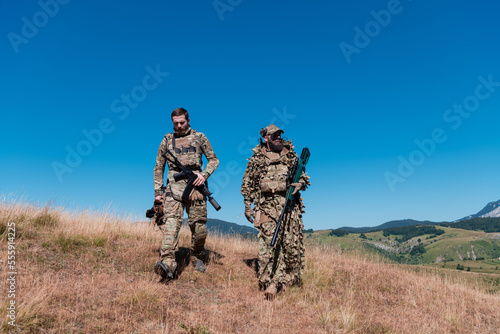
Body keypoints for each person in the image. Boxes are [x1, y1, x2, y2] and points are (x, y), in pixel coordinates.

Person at [241, 124, 310, 299]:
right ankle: (266, 280)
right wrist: (247, 205)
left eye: (280, 134)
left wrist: (299, 184)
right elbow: (248, 183)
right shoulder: (257, 159)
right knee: (268, 244)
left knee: (288, 244)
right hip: (266, 206)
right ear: (266, 138)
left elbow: (302, 176)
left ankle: (279, 282)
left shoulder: (291, 156)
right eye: (275, 135)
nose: (279, 137)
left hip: (288, 206)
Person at [153, 108, 219, 282]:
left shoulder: (200, 137)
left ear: (188, 120)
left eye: (182, 122)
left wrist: (203, 175)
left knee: (199, 229)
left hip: (196, 188)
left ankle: (196, 256)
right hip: (173, 189)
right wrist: (158, 192)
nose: (179, 126)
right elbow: (159, 167)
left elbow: (214, 160)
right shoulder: (166, 141)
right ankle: (168, 264)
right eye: (176, 123)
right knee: (170, 227)